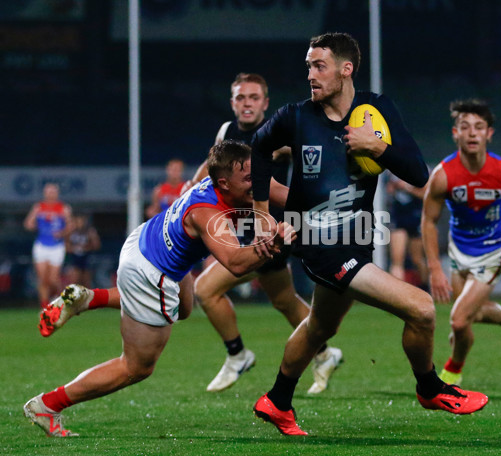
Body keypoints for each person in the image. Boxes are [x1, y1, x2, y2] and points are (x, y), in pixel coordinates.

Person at [249, 32, 489, 436]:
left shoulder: (376, 110)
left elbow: (417, 172)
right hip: (319, 245)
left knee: (319, 328)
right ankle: (430, 387)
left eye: (318, 65)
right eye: (308, 65)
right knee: (422, 309)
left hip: (356, 241)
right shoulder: (295, 116)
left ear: (346, 70)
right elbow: (257, 147)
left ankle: (277, 400)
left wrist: (376, 146)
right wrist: (260, 217)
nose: (310, 73)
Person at [24, 141, 294, 437]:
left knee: (186, 308)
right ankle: (47, 406)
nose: (254, 183)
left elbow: (287, 195)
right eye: (247, 180)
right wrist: (275, 242)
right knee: (136, 367)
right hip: (153, 273)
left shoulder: (230, 177)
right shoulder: (205, 212)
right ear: (223, 183)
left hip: (146, 242)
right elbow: (237, 264)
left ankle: (88, 299)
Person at [186, 72, 343, 394]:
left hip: (274, 229)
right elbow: (211, 164)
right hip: (245, 227)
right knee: (284, 299)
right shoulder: (227, 132)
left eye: (253, 98)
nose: (247, 104)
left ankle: (237, 355)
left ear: (265, 103)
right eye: (241, 97)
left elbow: (313, 160)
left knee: (205, 289)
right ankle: (325, 353)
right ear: (232, 102)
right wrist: (190, 188)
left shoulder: (278, 134)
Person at [421, 98, 501, 387]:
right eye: (465, 127)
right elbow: (428, 221)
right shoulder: (443, 176)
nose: (472, 133)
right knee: (467, 317)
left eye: (479, 127)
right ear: (455, 133)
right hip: (459, 249)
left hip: (494, 250)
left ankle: (452, 371)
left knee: (459, 321)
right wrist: (435, 268)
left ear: (489, 134)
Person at [23, 183, 72, 308]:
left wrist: (61, 233)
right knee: (43, 279)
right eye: (48, 192)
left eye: (53, 192)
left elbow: (70, 226)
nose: (50, 194)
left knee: (53, 280)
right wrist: (34, 225)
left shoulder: (63, 208)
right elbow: (28, 223)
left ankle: (56, 296)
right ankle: (45, 306)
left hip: (56, 246)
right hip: (41, 245)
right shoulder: (39, 207)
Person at [386, 173, 428, 288]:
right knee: (397, 261)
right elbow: (389, 191)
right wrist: (392, 188)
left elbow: (427, 194)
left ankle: (425, 288)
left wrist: (406, 187)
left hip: (416, 217)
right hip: (398, 218)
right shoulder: (391, 172)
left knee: (417, 259)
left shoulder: (421, 169)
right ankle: (396, 293)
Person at [65, 213, 101, 288]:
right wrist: (74, 248)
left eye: (81, 221)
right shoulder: (71, 232)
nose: (79, 223)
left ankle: (87, 298)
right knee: (74, 281)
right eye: (77, 221)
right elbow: (66, 245)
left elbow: (96, 245)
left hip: (86, 258)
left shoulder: (90, 231)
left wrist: (85, 248)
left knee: (86, 281)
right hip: (74, 258)